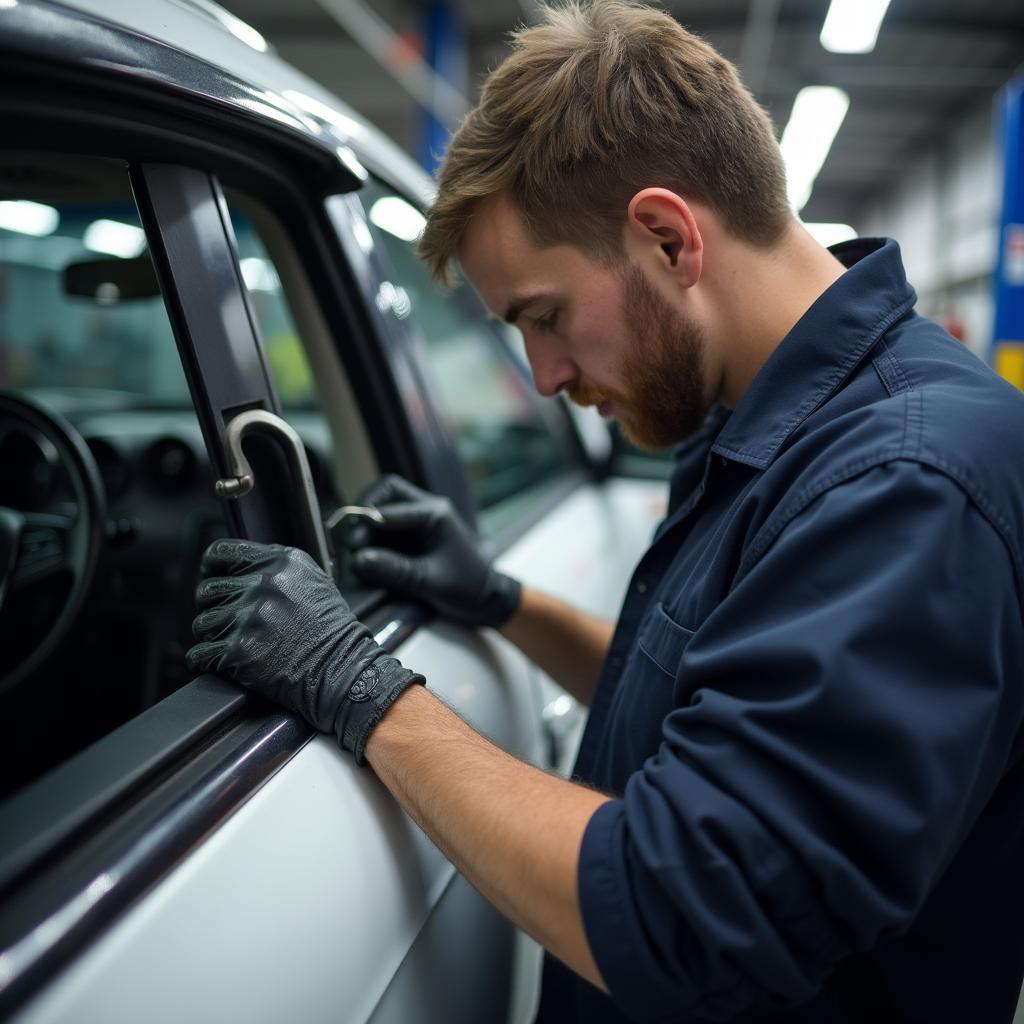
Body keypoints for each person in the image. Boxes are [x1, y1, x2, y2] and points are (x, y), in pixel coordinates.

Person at [186, 2, 1024, 1021]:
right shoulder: (747, 418)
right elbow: (708, 694)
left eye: (543, 316)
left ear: (668, 238)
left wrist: (364, 693)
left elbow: (687, 913)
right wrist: (501, 601)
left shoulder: (905, 482)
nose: (542, 378)